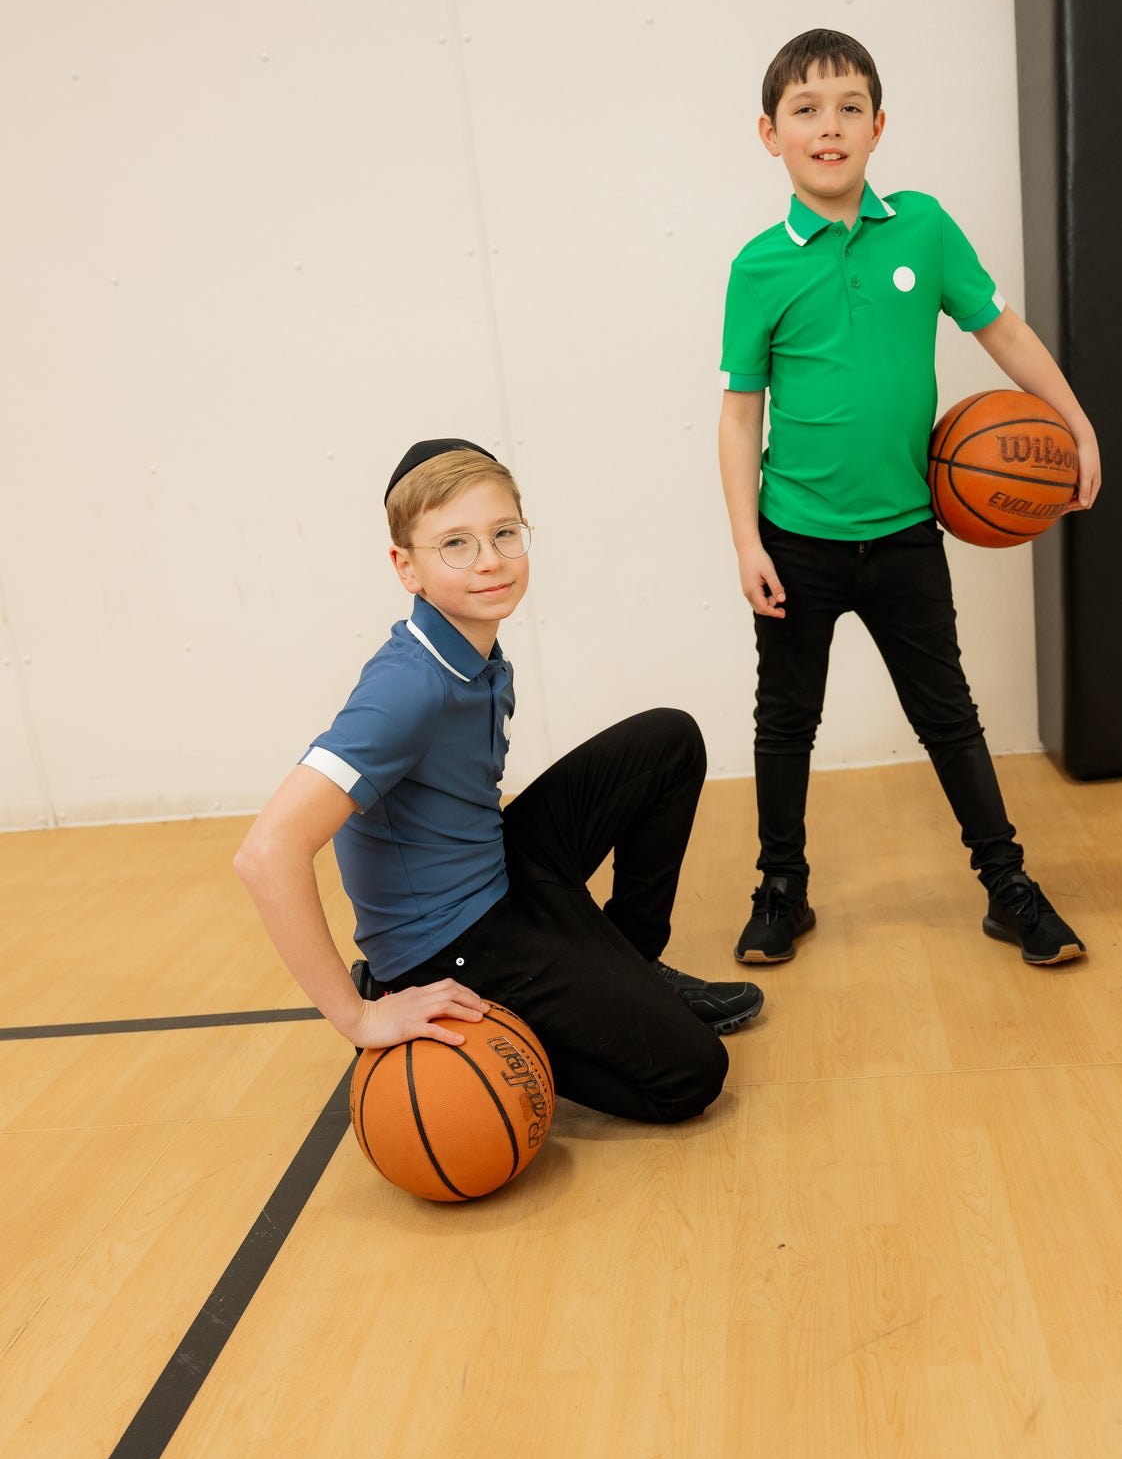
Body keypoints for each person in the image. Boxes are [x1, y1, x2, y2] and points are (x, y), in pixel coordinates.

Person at [717, 29, 1102, 967]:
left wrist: (1075, 426)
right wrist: (745, 543)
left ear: (878, 125)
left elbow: (999, 333)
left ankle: (1006, 885)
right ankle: (781, 888)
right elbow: (738, 416)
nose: (829, 126)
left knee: (948, 714)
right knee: (785, 717)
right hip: (796, 536)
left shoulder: (922, 229)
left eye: (849, 107)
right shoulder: (757, 267)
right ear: (769, 135)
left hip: (903, 533)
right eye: (804, 110)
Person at [235, 438, 760, 1123]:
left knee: (667, 740)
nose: (489, 559)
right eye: (455, 543)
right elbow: (266, 853)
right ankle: (489, 1018)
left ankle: (629, 962)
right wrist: (359, 1017)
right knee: (691, 1076)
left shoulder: (475, 644)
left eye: (504, 533)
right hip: (450, 942)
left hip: (496, 869)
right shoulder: (405, 689)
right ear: (406, 567)